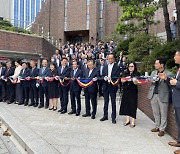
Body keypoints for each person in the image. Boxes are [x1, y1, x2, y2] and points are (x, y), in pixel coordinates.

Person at [147, 58, 172, 136]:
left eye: (156, 63)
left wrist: (164, 79)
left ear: (162, 65)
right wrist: (152, 81)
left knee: (163, 113)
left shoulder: (168, 73)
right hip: (153, 94)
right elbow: (150, 80)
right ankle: (157, 126)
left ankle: (162, 129)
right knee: (155, 112)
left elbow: (170, 83)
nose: (155, 65)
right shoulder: (154, 72)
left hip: (163, 95)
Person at [100, 54, 120, 124]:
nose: (110, 60)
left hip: (113, 85)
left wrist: (112, 78)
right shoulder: (105, 66)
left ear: (114, 59)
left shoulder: (116, 66)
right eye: (109, 58)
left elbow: (117, 76)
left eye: (111, 58)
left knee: (113, 102)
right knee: (106, 101)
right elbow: (102, 75)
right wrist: (104, 77)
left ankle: (113, 117)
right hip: (106, 85)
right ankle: (105, 115)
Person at [119, 62, 140, 127]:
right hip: (126, 90)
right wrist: (123, 80)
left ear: (134, 67)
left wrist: (135, 81)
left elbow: (138, 82)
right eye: (129, 66)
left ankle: (133, 120)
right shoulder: (125, 73)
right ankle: (127, 120)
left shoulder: (137, 73)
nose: (130, 68)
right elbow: (121, 80)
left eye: (132, 66)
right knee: (126, 104)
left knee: (133, 105)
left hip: (133, 91)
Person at [168, 50, 180, 154]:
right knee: (178, 122)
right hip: (177, 100)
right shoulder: (178, 69)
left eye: (175, 55)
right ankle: (179, 141)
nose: (174, 58)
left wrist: (177, 83)